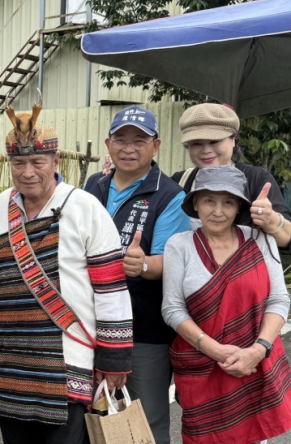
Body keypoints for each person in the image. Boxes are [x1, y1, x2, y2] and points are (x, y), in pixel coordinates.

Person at [0, 101, 133, 443]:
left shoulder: (84, 208)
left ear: (55, 161)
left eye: (37, 162)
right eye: (18, 163)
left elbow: (111, 289)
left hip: (67, 367)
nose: (27, 172)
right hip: (13, 369)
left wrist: (113, 361)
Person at [162, 165, 291, 444]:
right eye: (209, 200)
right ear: (195, 202)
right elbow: (172, 308)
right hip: (203, 367)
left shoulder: (259, 239)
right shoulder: (179, 245)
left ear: (239, 207)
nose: (217, 211)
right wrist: (216, 350)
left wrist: (258, 350)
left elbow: (279, 299)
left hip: (253, 365)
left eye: (228, 202)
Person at [84, 105, 189, 444]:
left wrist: (142, 265)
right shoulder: (94, 185)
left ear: (155, 146)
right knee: (94, 415)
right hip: (90, 324)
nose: (128, 148)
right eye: (121, 140)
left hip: (143, 330)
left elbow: (170, 263)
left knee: (145, 419)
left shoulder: (170, 196)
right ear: (108, 143)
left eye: (139, 141)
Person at [171, 103, 291, 248]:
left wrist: (271, 220)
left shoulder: (257, 179)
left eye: (214, 141)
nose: (206, 150)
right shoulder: (179, 182)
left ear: (233, 139)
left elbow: (286, 239)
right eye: (196, 143)